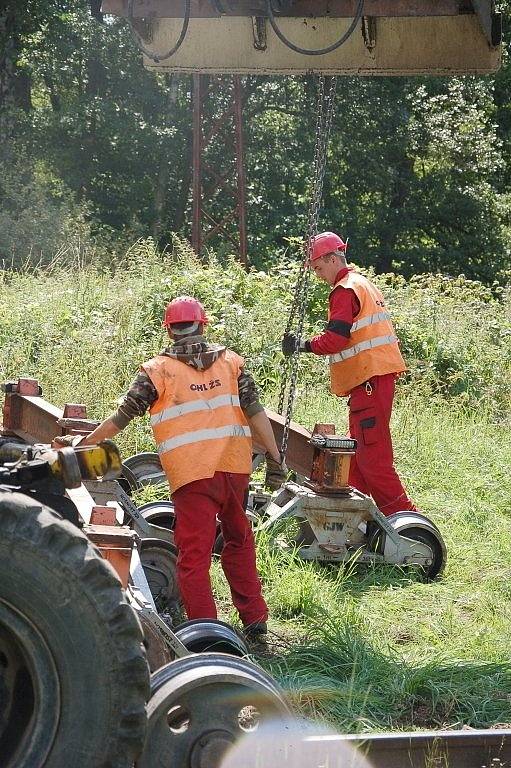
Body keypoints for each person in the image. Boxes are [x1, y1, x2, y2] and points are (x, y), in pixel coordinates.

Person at [79, 296, 287, 643]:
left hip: (193, 476)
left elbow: (121, 418)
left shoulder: (157, 371)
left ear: (170, 330)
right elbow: (255, 413)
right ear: (202, 325)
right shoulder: (231, 363)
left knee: (194, 558)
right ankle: (255, 622)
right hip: (234, 470)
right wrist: (276, 458)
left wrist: (84, 445)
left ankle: (208, 634)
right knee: (239, 540)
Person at [282, 231, 417, 518]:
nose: (318, 275)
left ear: (332, 259)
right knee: (356, 463)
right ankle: (349, 520)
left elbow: (334, 340)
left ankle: (410, 525)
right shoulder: (363, 284)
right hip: (371, 383)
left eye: (318, 267)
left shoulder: (344, 289)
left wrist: (301, 345)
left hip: (369, 383)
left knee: (373, 461)